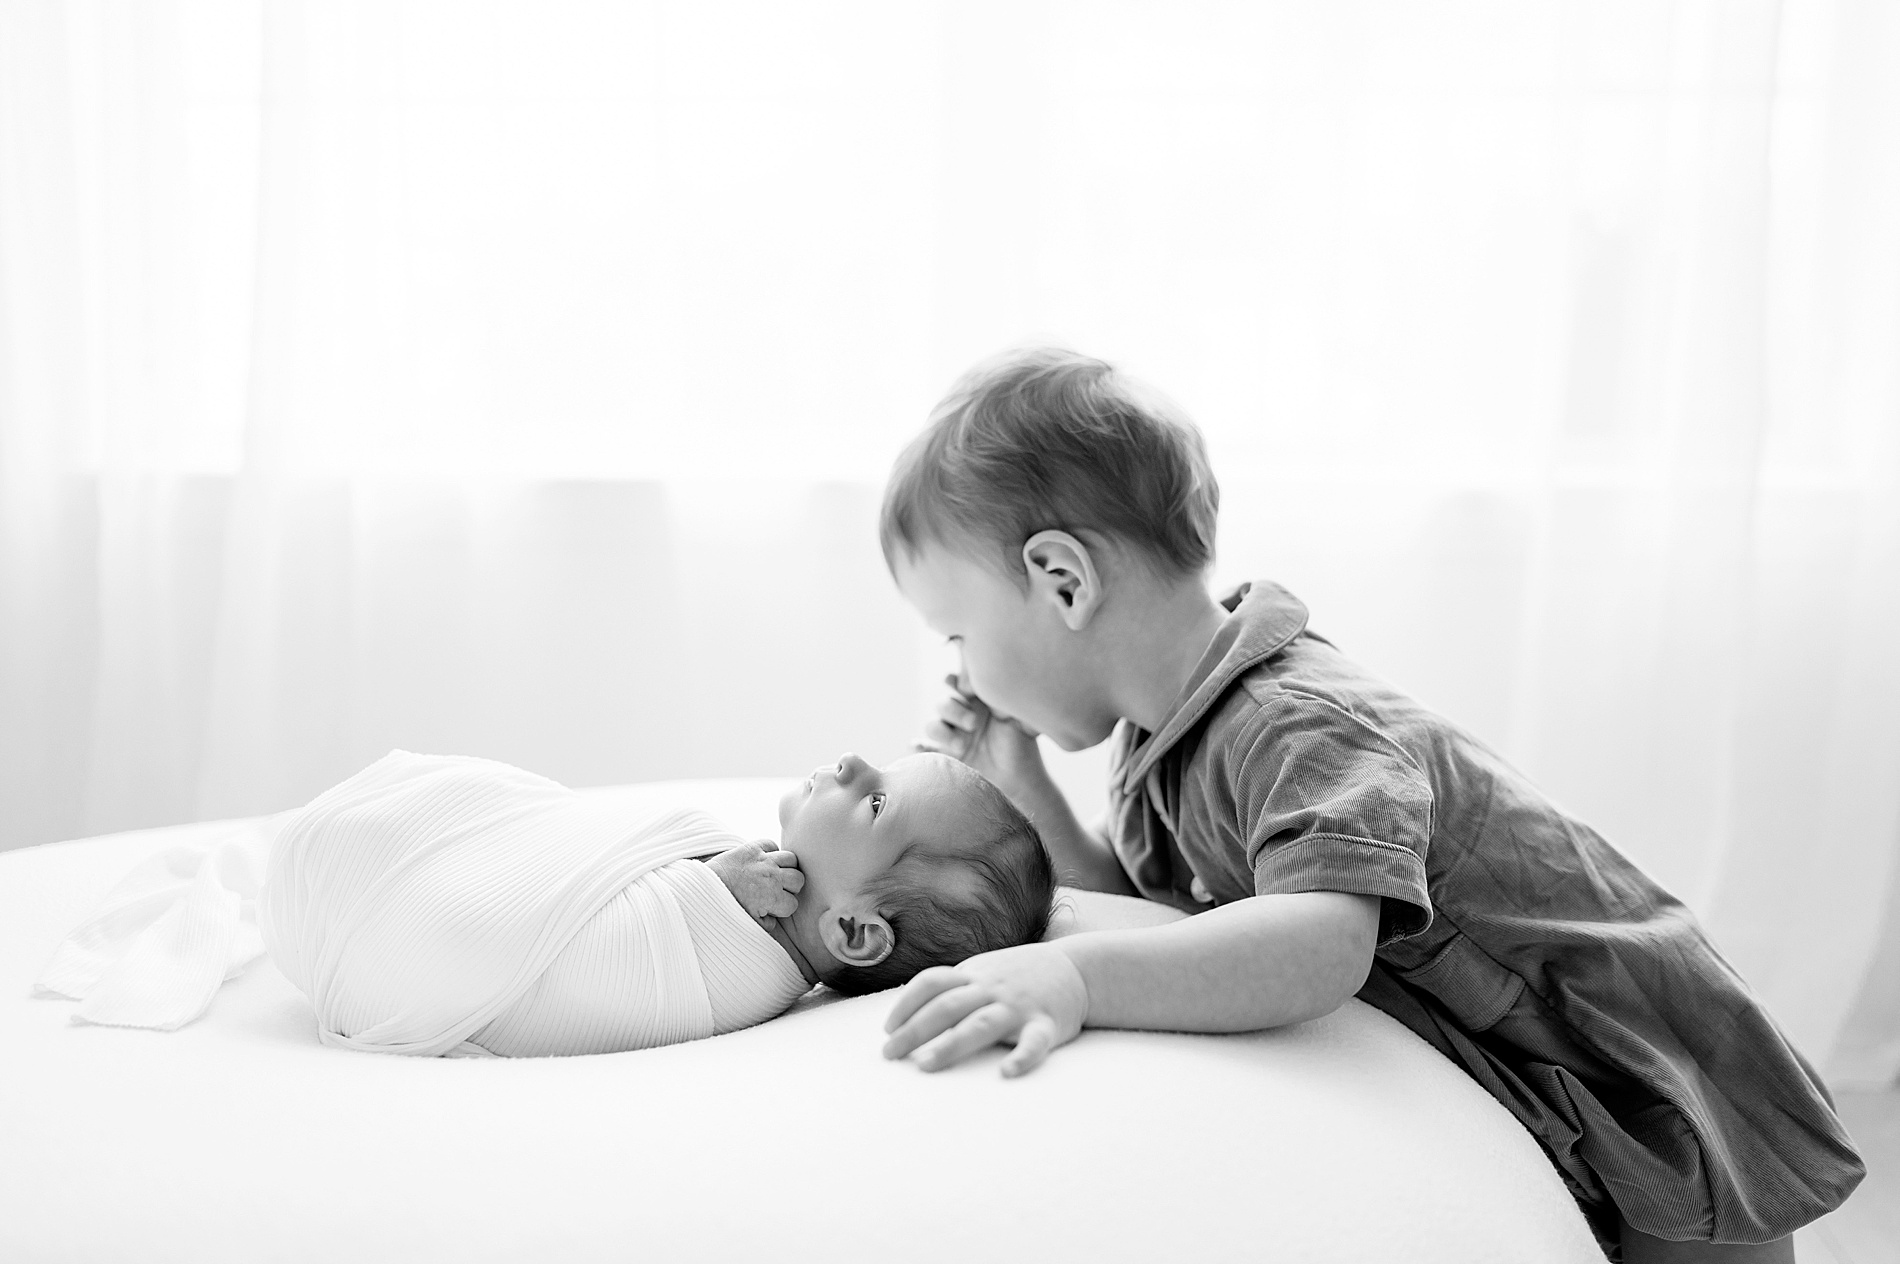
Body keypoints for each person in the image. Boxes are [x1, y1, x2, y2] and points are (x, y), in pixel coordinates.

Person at [872, 346, 1863, 1262]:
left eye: (954, 633)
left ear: (1059, 578)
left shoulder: (1290, 721)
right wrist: (1024, 784)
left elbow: (1316, 942)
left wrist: (1075, 979)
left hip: (1626, 1063)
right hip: (1535, 1073)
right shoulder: (1161, 739)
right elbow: (1159, 917)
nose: (958, 668)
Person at [248, 747, 1053, 1057]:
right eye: (874, 766)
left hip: (406, 938)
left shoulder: (740, 959)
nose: (849, 765)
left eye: (876, 804)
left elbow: (611, 970)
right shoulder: (770, 908)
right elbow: (588, 847)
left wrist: (705, 886)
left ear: (853, 930)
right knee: (514, 798)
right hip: (391, 931)